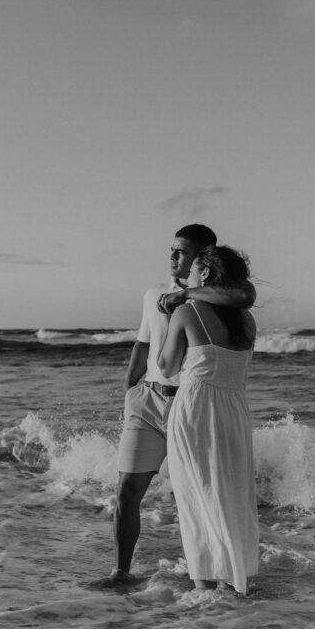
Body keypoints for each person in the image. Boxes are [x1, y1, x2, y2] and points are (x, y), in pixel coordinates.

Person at [105, 225, 255, 585]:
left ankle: (208, 572)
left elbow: (245, 294)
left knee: (202, 492)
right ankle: (121, 573)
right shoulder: (154, 293)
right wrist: (129, 389)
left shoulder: (224, 298)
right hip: (149, 401)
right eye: (171, 250)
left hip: (190, 406)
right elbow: (143, 344)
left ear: (204, 258)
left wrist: (185, 297)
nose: (173, 258)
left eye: (182, 252)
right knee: (127, 490)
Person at [157, 246, 258, 594]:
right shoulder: (247, 321)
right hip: (234, 410)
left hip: (197, 408)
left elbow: (167, 366)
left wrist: (166, 322)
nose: (189, 275)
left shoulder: (187, 311)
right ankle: (233, 582)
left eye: (195, 269)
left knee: (194, 493)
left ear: (206, 276)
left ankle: (203, 586)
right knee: (229, 494)